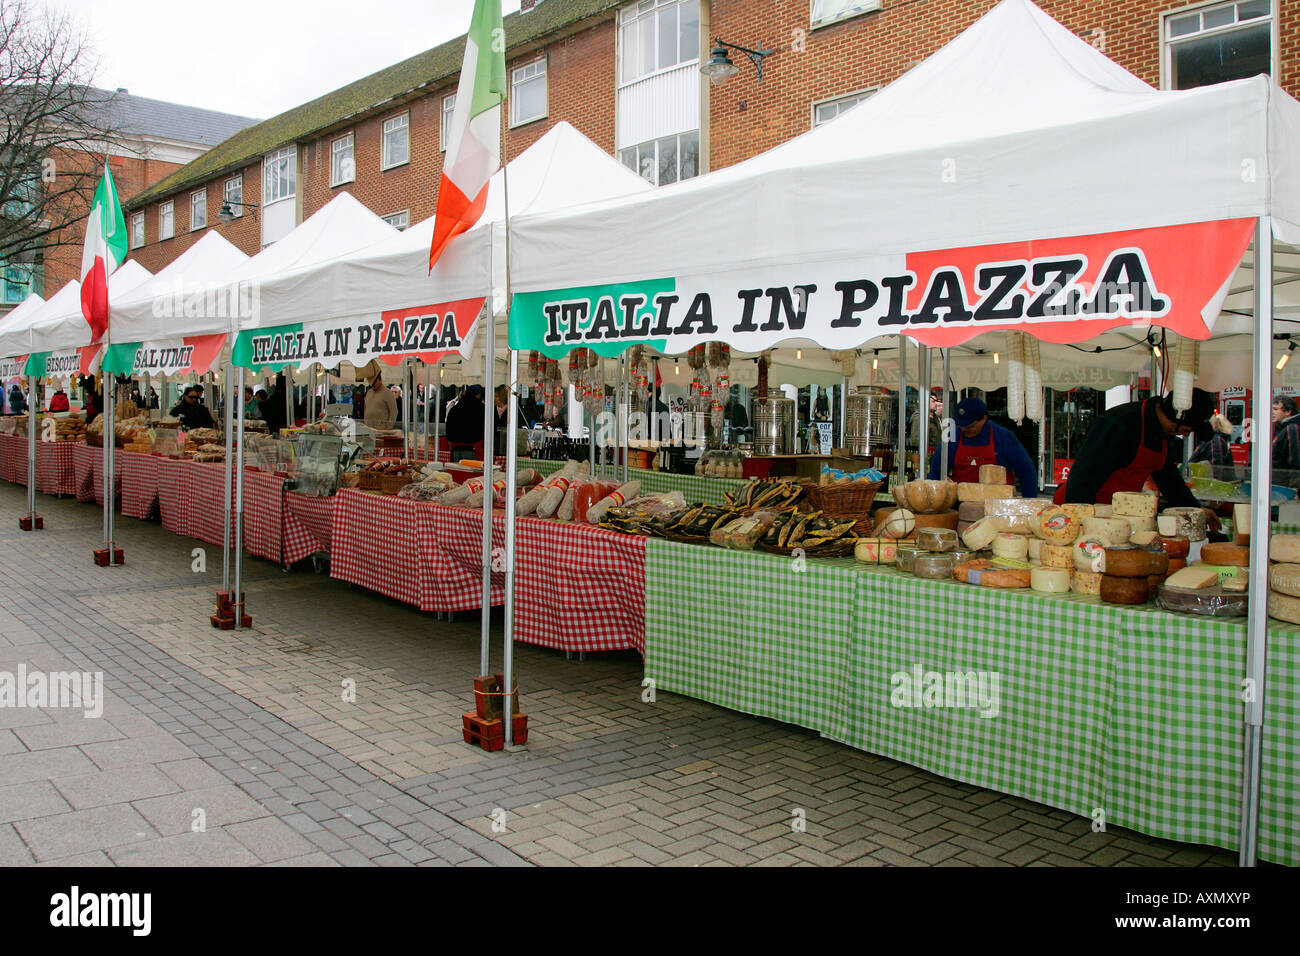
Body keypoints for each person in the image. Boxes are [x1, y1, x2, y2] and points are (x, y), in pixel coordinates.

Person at [1055, 389, 1217, 527]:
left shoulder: (1163, 435)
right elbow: (1082, 479)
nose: (1186, 434)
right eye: (1186, 429)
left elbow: (1170, 481)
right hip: (1081, 508)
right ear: (1177, 417)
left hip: (1117, 517)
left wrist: (1195, 510)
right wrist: (1081, 524)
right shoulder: (1118, 424)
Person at [928, 396, 1038, 497]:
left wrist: (1029, 503)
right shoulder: (952, 437)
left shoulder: (1003, 437)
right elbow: (936, 472)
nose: (964, 429)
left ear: (984, 419)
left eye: (970, 426)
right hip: (960, 506)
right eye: (961, 425)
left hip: (997, 507)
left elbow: (1027, 472)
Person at [444, 384, 485, 461]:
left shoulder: (455, 409)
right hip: (474, 448)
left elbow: (448, 427)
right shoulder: (481, 408)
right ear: (478, 395)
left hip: (456, 448)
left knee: (457, 471)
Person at [1272, 396, 1300, 473]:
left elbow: (1295, 459)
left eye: (1275, 409)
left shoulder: (1292, 428)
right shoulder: (1283, 426)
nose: (1272, 412)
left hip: (1285, 480)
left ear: (1288, 412)